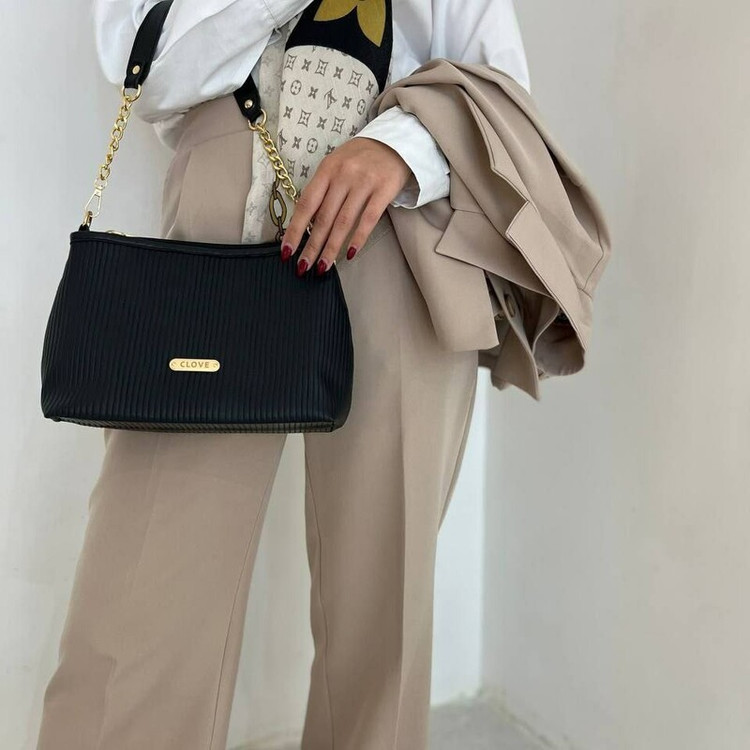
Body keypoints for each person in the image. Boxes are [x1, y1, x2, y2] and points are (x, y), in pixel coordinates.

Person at [36, 1, 531, 748]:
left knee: (383, 601)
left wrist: (405, 148)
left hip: (405, 208)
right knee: (145, 591)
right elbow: (144, 63)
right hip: (223, 192)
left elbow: (499, 87)